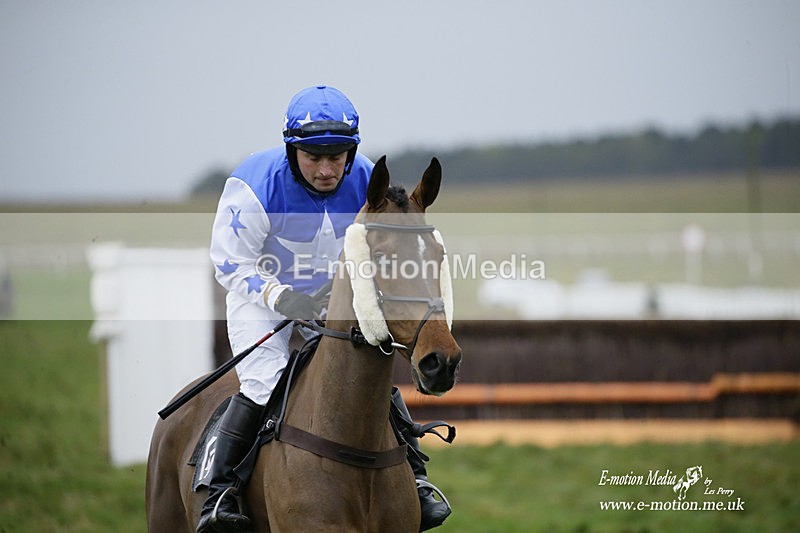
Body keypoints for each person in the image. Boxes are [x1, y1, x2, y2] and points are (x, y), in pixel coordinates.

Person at [202, 85, 451, 533]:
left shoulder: (368, 180)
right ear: (291, 150)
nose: (326, 169)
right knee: (265, 382)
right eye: (313, 157)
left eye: (337, 156)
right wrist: (280, 297)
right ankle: (219, 494)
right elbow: (228, 261)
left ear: (351, 152)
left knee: (364, 378)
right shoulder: (253, 185)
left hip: (331, 300)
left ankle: (416, 481)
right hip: (261, 298)